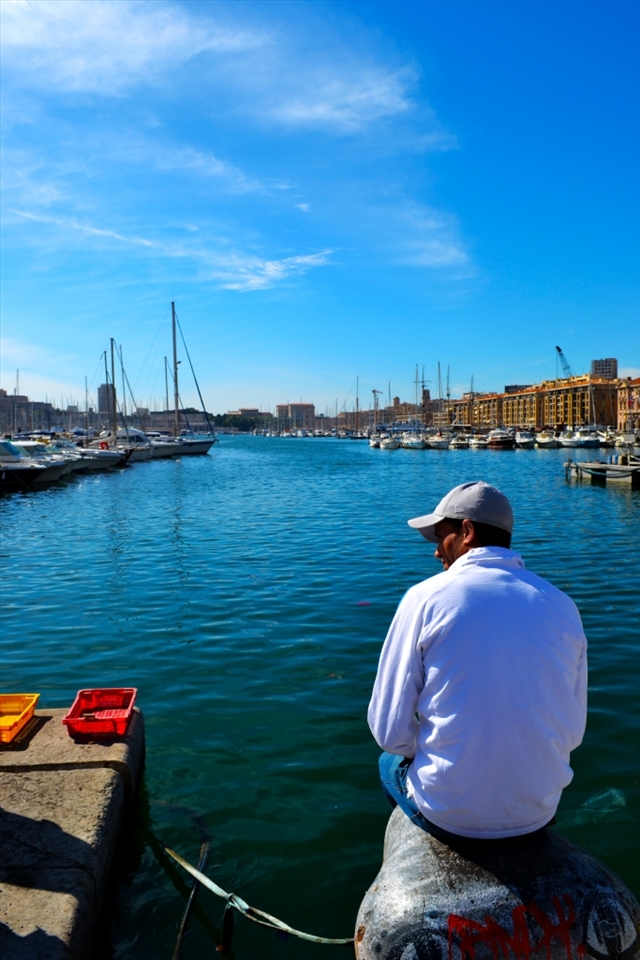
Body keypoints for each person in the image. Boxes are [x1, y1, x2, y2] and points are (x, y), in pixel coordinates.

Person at [368, 481, 587, 840]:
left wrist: (434, 748)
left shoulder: (425, 599)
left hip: (450, 816)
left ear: (466, 532)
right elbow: (573, 731)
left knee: (387, 763)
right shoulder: (563, 605)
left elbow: (389, 732)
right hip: (538, 812)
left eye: (441, 537)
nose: (436, 551)